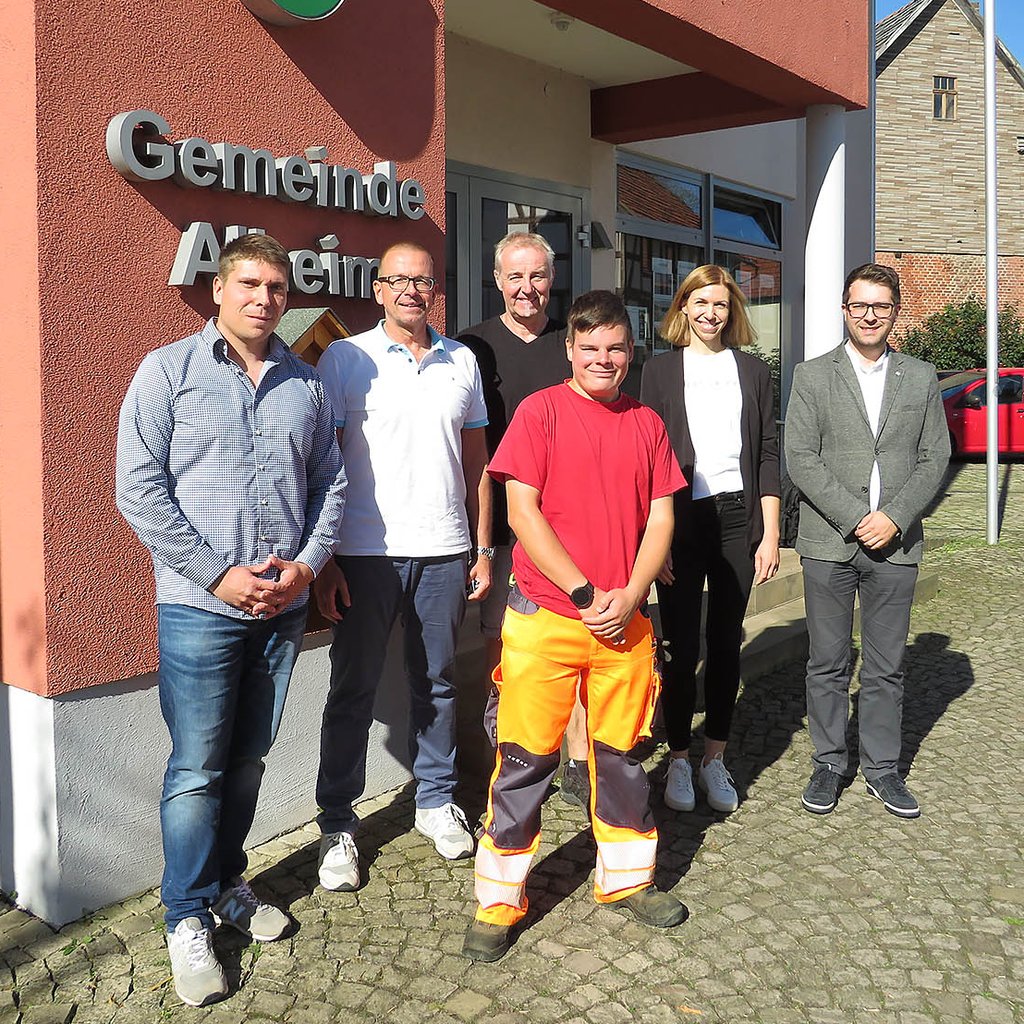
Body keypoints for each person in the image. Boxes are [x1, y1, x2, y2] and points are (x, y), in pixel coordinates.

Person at [116, 233, 347, 1007]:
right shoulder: (167, 373)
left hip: (278, 612)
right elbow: (139, 490)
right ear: (218, 291)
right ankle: (185, 915)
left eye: (278, 287)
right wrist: (220, 574)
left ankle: (225, 885)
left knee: (249, 757)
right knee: (196, 767)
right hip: (199, 612)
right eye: (250, 283)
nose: (264, 297)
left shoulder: (304, 386)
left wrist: (307, 566)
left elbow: (331, 487)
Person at [463, 290, 688, 963]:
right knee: (526, 761)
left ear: (630, 352)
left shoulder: (647, 423)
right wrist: (587, 591)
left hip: (625, 625)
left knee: (621, 760)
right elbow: (522, 512)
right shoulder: (540, 413)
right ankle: (498, 902)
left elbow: (662, 520)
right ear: (570, 350)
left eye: (615, 348)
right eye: (590, 348)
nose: (603, 359)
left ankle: (625, 883)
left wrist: (633, 593)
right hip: (546, 619)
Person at [313, 241, 491, 891]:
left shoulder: (462, 360)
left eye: (423, 280)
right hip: (363, 552)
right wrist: (325, 555)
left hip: (445, 548)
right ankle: (337, 823)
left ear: (433, 290)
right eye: (400, 280)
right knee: (352, 691)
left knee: (437, 680)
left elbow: (478, 465)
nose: (413, 290)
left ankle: (435, 801)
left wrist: (485, 546)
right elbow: (323, 462)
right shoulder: (345, 358)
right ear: (379, 289)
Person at [785, 263, 949, 819]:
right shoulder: (811, 376)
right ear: (844, 309)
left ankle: (882, 769)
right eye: (860, 305)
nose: (870, 315)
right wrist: (859, 516)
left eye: (880, 305)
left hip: (897, 545)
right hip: (830, 541)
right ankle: (829, 762)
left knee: (886, 665)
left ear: (896, 311)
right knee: (827, 661)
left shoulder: (921, 377)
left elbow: (936, 458)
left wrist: (895, 517)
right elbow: (800, 458)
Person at [640, 265, 780, 815]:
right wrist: (655, 541)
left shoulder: (753, 372)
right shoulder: (658, 371)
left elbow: (768, 450)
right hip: (678, 518)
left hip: (738, 516)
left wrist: (770, 533)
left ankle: (713, 757)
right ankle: (677, 756)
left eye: (720, 304)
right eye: (699, 303)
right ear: (682, 309)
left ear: (732, 312)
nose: (710, 314)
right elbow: (645, 460)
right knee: (679, 645)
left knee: (725, 641)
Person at [457, 231, 590, 807]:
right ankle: (506, 756)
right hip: (505, 532)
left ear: (551, 279)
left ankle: (582, 762)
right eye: (516, 277)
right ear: (497, 280)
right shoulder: (472, 348)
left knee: (580, 644)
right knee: (501, 649)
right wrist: (482, 543)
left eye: (537, 276)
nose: (527, 288)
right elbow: (474, 452)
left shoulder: (572, 346)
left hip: (571, 531)